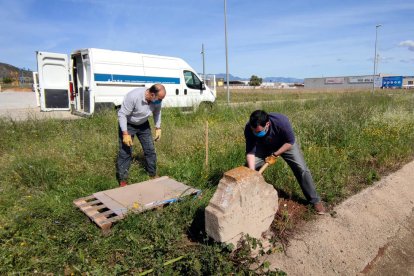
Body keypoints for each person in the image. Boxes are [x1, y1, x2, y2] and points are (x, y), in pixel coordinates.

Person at [244, 110, 326, 214]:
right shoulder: (249, 128)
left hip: (285, 145)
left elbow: (290, 142)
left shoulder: (281, 121)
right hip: (264, 146)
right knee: (249, 168)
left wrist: (274, 155)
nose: (256, 133)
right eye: (254, 131)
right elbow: (250, 152)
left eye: (259, 131)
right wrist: (252, 172)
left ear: (267, 124)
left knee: (302, 169)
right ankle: (252, 195)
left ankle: (315, 201)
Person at [116, 84, 166, 187]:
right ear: (152, 94)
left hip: (143, 125)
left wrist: (158, 127)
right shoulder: (133, 96)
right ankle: (123, 181)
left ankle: (152, 174)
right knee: (125, 153)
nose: (160, 102)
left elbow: (157, 112)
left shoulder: (156, 100)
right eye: (159, 99)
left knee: (150, 150)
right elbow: (122, 114)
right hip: (128, 125)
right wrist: (125, 133)